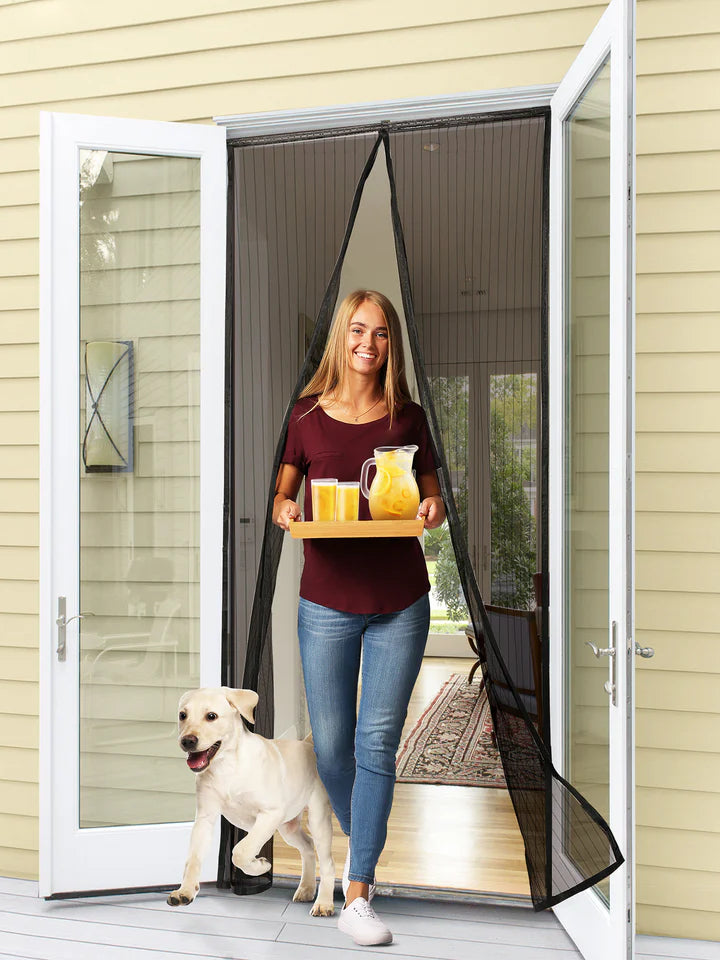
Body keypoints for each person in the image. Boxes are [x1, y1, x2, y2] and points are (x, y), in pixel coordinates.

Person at [273, 289, 445, 947]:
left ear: (390, 346)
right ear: (341, 338)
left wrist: (432, 512)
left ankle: (359, 890)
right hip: (324, 606)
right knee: (336, 745)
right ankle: (361, 827)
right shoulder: (306, 417)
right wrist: (287, 513)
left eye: (379, 334)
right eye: (357, 331)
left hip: (400, 602)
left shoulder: (410, 417)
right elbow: (283, 498)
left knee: (377, 744)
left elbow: (433, 500)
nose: (368, 344)